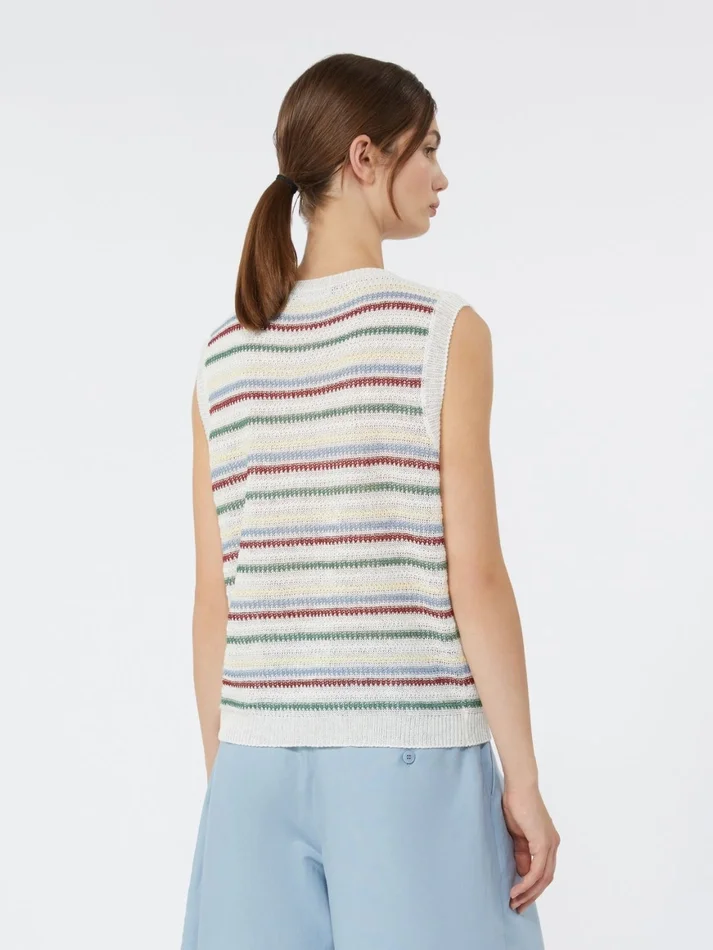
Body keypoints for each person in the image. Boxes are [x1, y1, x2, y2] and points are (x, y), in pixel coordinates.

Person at [181, 52, 559, 950]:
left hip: (252, 768)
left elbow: (213, 603)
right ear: (363, 157)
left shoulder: (223, 356)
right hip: (405, 753)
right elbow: (476, 578)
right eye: (425, 149)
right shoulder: (439, 333)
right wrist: (523, 780)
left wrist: (230, 778)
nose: (440, 175)